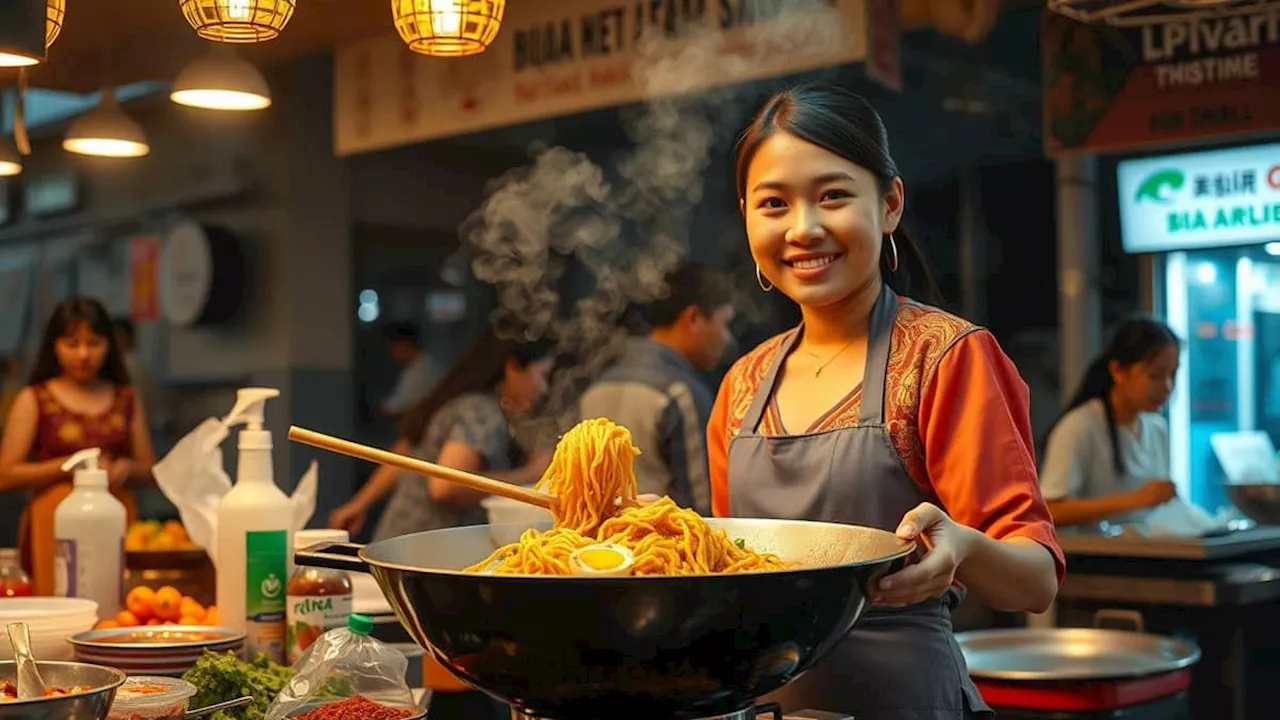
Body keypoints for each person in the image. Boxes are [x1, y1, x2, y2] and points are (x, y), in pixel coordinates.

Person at [705, 84, 1063, 719]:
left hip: (906, 701)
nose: (804, 228)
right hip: (763, 706)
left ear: (890, 203)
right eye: (774, 204)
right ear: (746, 216)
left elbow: (1035, 580)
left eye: (833, 195)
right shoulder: (741, 386)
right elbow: (732, 580)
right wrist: (658, 534)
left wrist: (964, 548)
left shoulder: (944, 356)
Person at [329, 327, 556, 540]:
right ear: (512, 367)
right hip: (425, 549)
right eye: (543, 375)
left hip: (401, 538)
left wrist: (359, 504)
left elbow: (407, 451)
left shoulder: (465, 400)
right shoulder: (480, 410)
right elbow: (446, 487)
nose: (544, 388)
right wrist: (530, 474)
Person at [0, 298, 155, 595]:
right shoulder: (35, 398)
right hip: (53, 525)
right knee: (58, 603)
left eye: (94, 343)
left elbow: (151, 470)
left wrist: (127, 468)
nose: (84, 355)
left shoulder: (125, 398)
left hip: (115, 519)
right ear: (54, 345)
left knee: (117, 607)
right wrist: (68, 466)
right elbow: (6, 474)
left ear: (110, 345)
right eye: (72, 344)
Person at [577, 263, 734, 514]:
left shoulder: (597, 387)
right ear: (693, 318)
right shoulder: (681, 394)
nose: (728, 338)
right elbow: (703, 512)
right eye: (725, 323)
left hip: (599, 545)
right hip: (662, 547)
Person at [1039, 316, 1180, 527]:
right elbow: (1050, 510)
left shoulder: (1157, 428)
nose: (1167, 387)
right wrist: (1134, 500)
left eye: (1173, 374)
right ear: (1118, 371)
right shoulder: (1080, 426)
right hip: (1094, 557)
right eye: (1155, 375)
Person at [379, 322, 444, 419]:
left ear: (404, 345)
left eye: (392, 347)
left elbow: (397, 407)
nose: (391, 354)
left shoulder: (421, 370)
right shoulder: (417, 366)